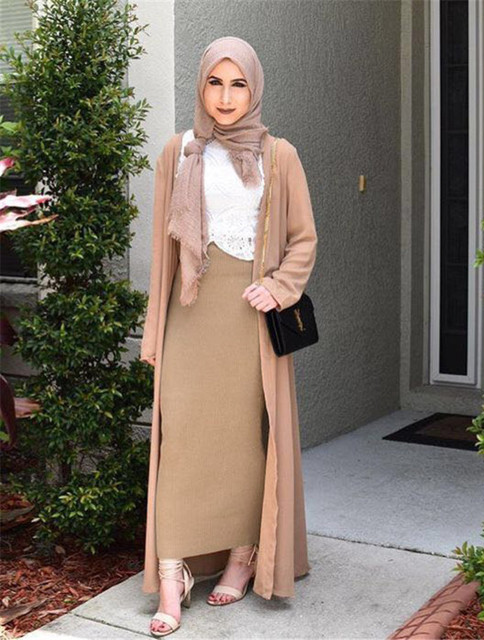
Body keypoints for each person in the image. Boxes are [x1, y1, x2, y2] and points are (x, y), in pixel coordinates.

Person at [141, 36, 317, 637]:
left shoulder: (279, 155)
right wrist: (154, 334)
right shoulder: (179, 151)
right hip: (189, 316)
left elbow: (303, 238)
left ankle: (242, 557)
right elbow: (163, 255)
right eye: (214, 82)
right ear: (201, 87)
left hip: (249, 323)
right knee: (178, 440)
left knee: (246, 439)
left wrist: (280, 287)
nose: (224, 96)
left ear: (254, 88)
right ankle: (172, 575)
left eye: (237, 83)